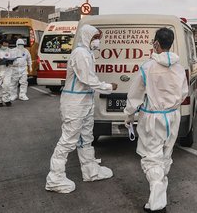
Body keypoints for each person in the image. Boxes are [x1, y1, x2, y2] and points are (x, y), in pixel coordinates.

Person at [45, 25, 118, 194]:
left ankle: (90, 170)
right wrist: (108, 86)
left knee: (86, 137)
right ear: (87, 37)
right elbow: (87, 79)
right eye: (95, 37)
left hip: (85, 101)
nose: (97, 41)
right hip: (74, 102)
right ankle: (55, 178)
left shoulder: (87, 53)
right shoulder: (80, 54)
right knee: (69, 139)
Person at [123, 28, 188, 212]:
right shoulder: (178, 67)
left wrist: (129, 114)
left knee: (151, 158)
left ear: (157, 43)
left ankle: (158, 203)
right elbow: (183, 93)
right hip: (173, 117)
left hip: (153, 118)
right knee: (165, 156)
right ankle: (156, 198)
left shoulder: (148, 67)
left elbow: (135, 95)